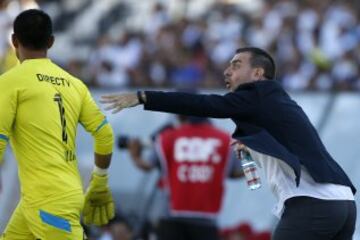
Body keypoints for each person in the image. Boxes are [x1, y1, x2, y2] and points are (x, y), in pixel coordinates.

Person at [101, 47, 357, 240]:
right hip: (343, 204)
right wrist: (254, 148)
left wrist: (143, 96)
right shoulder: (275, 103)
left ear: (258, 74)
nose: (227, 71)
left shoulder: (256, 94)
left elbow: (205, 104)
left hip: (313, 204)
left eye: (236, 65)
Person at [0, 9, 115, 239]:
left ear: (14, 41)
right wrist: (100, 181)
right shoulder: (75, 84)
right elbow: (105, 135)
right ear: (51, 42)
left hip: (48, 200)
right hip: (52, 194)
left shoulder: (9, 82)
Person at [127, 114, 243, 240]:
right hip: (206, 220)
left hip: (170, 218)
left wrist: (134, 155)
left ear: (181, 116)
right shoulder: (225, 140)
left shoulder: (167, 137)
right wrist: (254, 159)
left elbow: (147, 166)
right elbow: (236, 172)